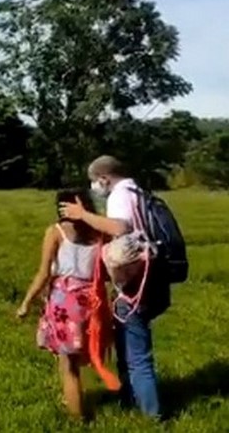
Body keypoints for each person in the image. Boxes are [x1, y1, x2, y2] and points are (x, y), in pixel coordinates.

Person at [59, 155, 165, 420]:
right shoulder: (138, 191)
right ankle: (131, 402)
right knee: (128, 347)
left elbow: (120, 227)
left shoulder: (119, 194)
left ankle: (151, 416)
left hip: (135, 284)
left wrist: (82, 215)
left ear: (104, 178)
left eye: (95, 181)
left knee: (138, 356)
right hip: (150, 276)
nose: (96, 187)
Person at [18, 188, 119, 419]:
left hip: (64, 302)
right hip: (92, 301)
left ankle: (76, 417)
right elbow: (104, 273)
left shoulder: (55, 232)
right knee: (82, 356)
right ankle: (77, 399)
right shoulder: (100, 234)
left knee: (69, 366)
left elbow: (43, 273)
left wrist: (26, 303)